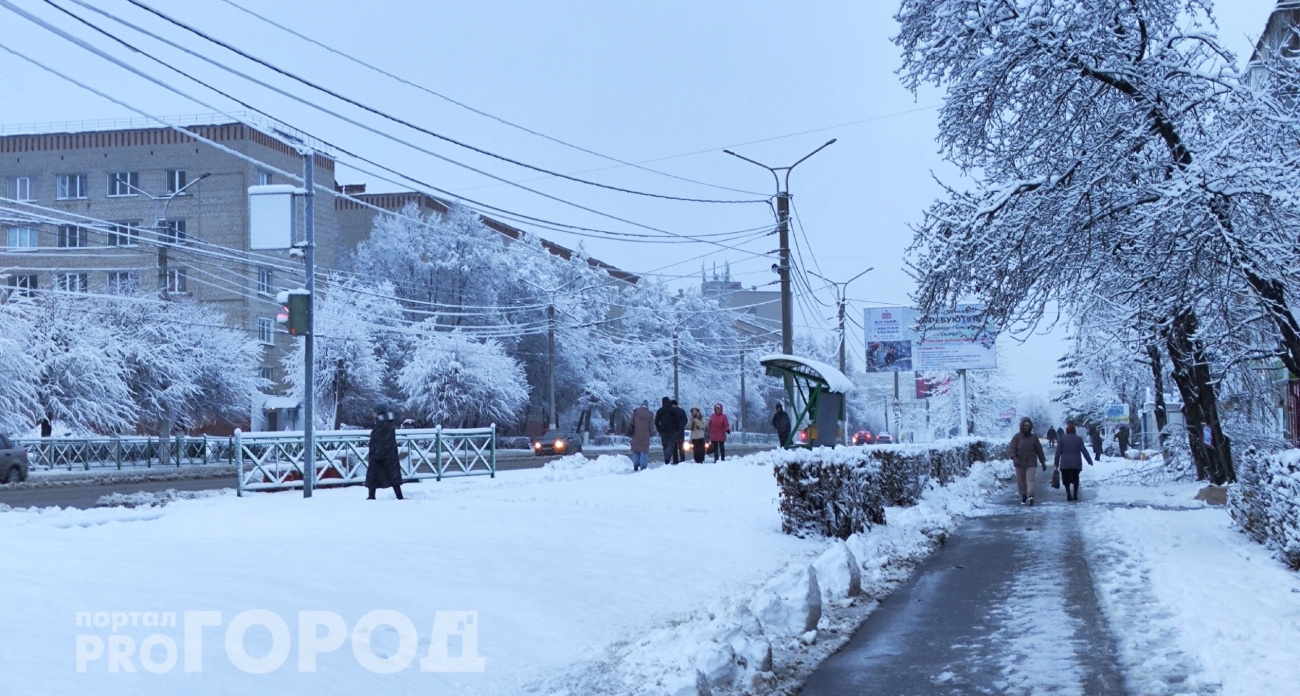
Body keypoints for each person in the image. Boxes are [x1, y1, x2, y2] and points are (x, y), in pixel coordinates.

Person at [366, 404, 403, 500]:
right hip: (389, 454)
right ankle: (399, 495)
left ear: (378, 413)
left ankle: (371, 496)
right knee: (393, 476)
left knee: (373, 476)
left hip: (379, 454)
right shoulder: (387, 423)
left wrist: (375, 452)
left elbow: (378, 439)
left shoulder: (381, 424)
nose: (372, 414)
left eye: (374, 412)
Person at [1010, 417, 1046, 505]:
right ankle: (1023, 495)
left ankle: (1031, 495)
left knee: (1030, 479)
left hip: (1031, 462)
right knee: (1021, 480)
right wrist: (1013, 456)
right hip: (1019, 462)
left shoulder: (1034, 438)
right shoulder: (1017, 437)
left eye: (1028, 426)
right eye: (1025, 425)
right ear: (1022, 426)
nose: (1026, 427)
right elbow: (1012, 448)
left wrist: (1043, 462)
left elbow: (1039, 450)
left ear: (1030, 427)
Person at [1053, 424, 1093, 501]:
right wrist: (1089, 460)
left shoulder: (1062, 439)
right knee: (1076, 478)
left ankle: (1068, 494)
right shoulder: (1079, 439)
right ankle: (1075, 494)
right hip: (1076, 463)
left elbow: (1058, 452)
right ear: (1074, 431)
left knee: (1066, 479)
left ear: (1067, 431)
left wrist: (1056, 462)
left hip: (1065, 463)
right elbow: (1084, 451)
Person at [655, 397, 682, 465]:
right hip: (672, 431)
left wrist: (659, 429)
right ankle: (668, 458)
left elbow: (656, 422)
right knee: (671, 445)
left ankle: (666, 460)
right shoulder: (673, 410)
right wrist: (677, 429)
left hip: (663, 432)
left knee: (665, 446)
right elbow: (677, 420)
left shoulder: (660, 411)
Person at [628, 401, 653, 471]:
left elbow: (630, 422)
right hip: (645, 436)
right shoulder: (650, 414)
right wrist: (649, 432)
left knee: (636, 450)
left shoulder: (635, 412)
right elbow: (651, 426)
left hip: (635, 434)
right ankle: (643, 466)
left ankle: (635, 465)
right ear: (647, 406)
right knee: (644, 451)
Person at [671, 399, 689, 464]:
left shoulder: (671, 412)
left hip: (676, 432)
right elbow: (685, 421)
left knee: (676, 447)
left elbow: (685, 420)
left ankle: (677, 460)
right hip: (679, 432)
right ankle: (681, 459)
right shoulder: (681, 411)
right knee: (679, 446)